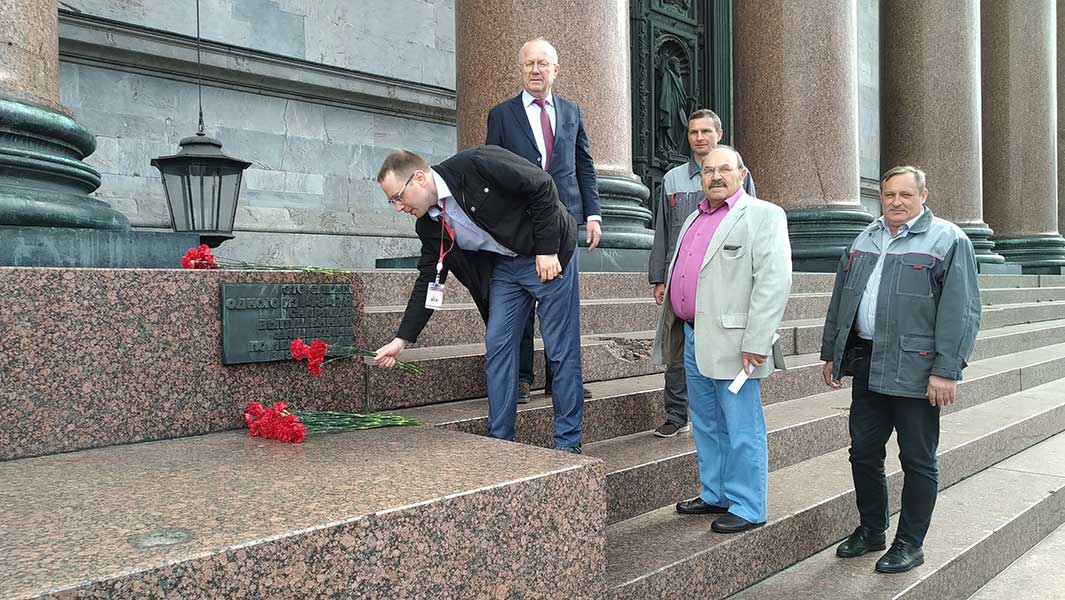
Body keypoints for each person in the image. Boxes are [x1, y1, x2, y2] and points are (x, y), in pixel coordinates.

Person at [374, 145, 586, 453]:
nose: (397, 207)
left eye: (397, 197)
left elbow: (541, 184)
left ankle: (568, 444)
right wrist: (402, 339)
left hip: (548, 254)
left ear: (419, 178)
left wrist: (547, 249)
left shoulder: (475, 165)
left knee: (560, 348)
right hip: (506, 268)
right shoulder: (428, 225)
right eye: (391, 201)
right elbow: (430, 279)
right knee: (498, 346)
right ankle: (500, 440)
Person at [821, 166, 980, 573]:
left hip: (917, 368)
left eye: (905, 195)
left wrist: (947, 370)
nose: (895, 202)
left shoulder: (948, 240)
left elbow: (961, 311)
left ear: (923, 196)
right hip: (868, 363)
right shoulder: (865, 237)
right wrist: (833, 352)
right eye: (889, 194)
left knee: (917, 459)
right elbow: (842, 298)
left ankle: (910, 543)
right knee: (863, 452)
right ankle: (872, 530)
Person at [652, 146, 792, 533]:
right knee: (706, 423)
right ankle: (715, 492)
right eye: (708, 170)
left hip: (738, 344)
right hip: (693, 336)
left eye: (724, 169)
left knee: (741, 425)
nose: (715, 176)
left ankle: (748, 505)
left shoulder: (763, 215)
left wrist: (758, 340)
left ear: (742, 173)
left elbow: (774, 281)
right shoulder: (693, 218)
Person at [486, 37, 600, 404]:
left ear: (555, 70)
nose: (536, 70)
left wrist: (593, 213)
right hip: (519, 228)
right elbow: (493, 171)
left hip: (564, 224)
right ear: (520, 69)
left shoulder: (572, 111)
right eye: (529, 64)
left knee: (563, 307)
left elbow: (583, 165)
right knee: (521, 301)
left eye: (543, 64)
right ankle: (522, 377)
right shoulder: (501, 115)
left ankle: (560, 379)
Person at [647, 108, 757, 438]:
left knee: (721, 351)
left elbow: (751, 224)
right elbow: (663, 229)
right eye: (693, 132)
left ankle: (724, 414)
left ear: (718, 135)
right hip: (683, 282)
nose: (699, 138)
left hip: (724, 281)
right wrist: (659, 276)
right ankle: (675, 414)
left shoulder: (738, 173)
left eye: (706, 131)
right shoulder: (672, 179)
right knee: (677, 351)